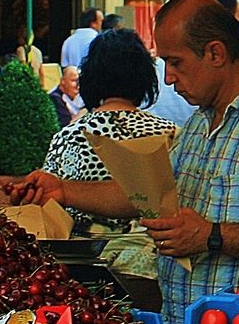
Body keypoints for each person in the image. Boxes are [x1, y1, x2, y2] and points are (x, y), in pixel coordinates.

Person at [10, 0, 239, 324]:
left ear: (215, 53)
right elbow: (146, 195)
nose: (168, 78)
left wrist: (212, 236)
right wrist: (63, 190)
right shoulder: (202, 120)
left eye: (175, 62)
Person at [43, 30, 178, 306]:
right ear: (144, 77)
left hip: (84, 277)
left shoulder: (68, 137)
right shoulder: (170, 135)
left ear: (90, 77)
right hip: (155, 278)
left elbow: (49, 215)